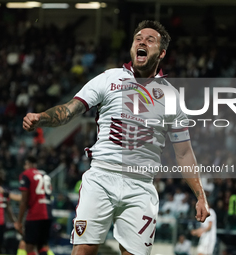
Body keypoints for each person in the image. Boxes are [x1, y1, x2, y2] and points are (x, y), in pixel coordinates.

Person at [22, 20, 210, 255]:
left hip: (141, 186)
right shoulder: (108, 78)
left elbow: (183, 153)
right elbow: (69, 110)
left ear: (162, 53)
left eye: (150, 40)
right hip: (102, 177)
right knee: (83, 252)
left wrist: (200, 196)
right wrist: (42, 117)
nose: (142, 41)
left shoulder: (171, 97)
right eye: (138, 38)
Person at [14, 156, 54, 255]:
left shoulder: (26, 175)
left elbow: (24, 200)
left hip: (35, 214)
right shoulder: (45, 175)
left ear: (28, 164)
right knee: (41, 245)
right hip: (48, 214)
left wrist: (19, 221)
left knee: (29, 247)